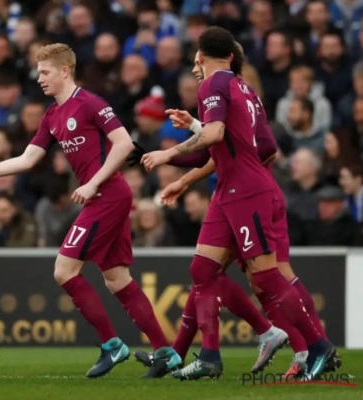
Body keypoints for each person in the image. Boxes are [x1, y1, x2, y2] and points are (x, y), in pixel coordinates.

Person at [0, 43, 182, 379]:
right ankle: (166, 353)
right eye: (38, 72)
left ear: (65, 71)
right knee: (117, 279)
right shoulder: (53, 115)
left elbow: (125, 143)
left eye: (45, 72)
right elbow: (27, 159)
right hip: (103, 195)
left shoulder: (90, 103)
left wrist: (93, 183)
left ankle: (112, 345)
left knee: (63, 270)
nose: (40, 78)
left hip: (108, 195)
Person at [139, 27, 334, 381]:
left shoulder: (211, 85)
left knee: (268, 277)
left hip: (246, 191)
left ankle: (317, 346)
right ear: (230, 56)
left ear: (201, 57)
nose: (194, 67)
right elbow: (239, 143)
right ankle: (218, 352)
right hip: (230, 191)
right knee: (202, 270)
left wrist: (167, 154)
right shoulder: (244, 89)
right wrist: (194, 139)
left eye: (195, 60)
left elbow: (217, 136)